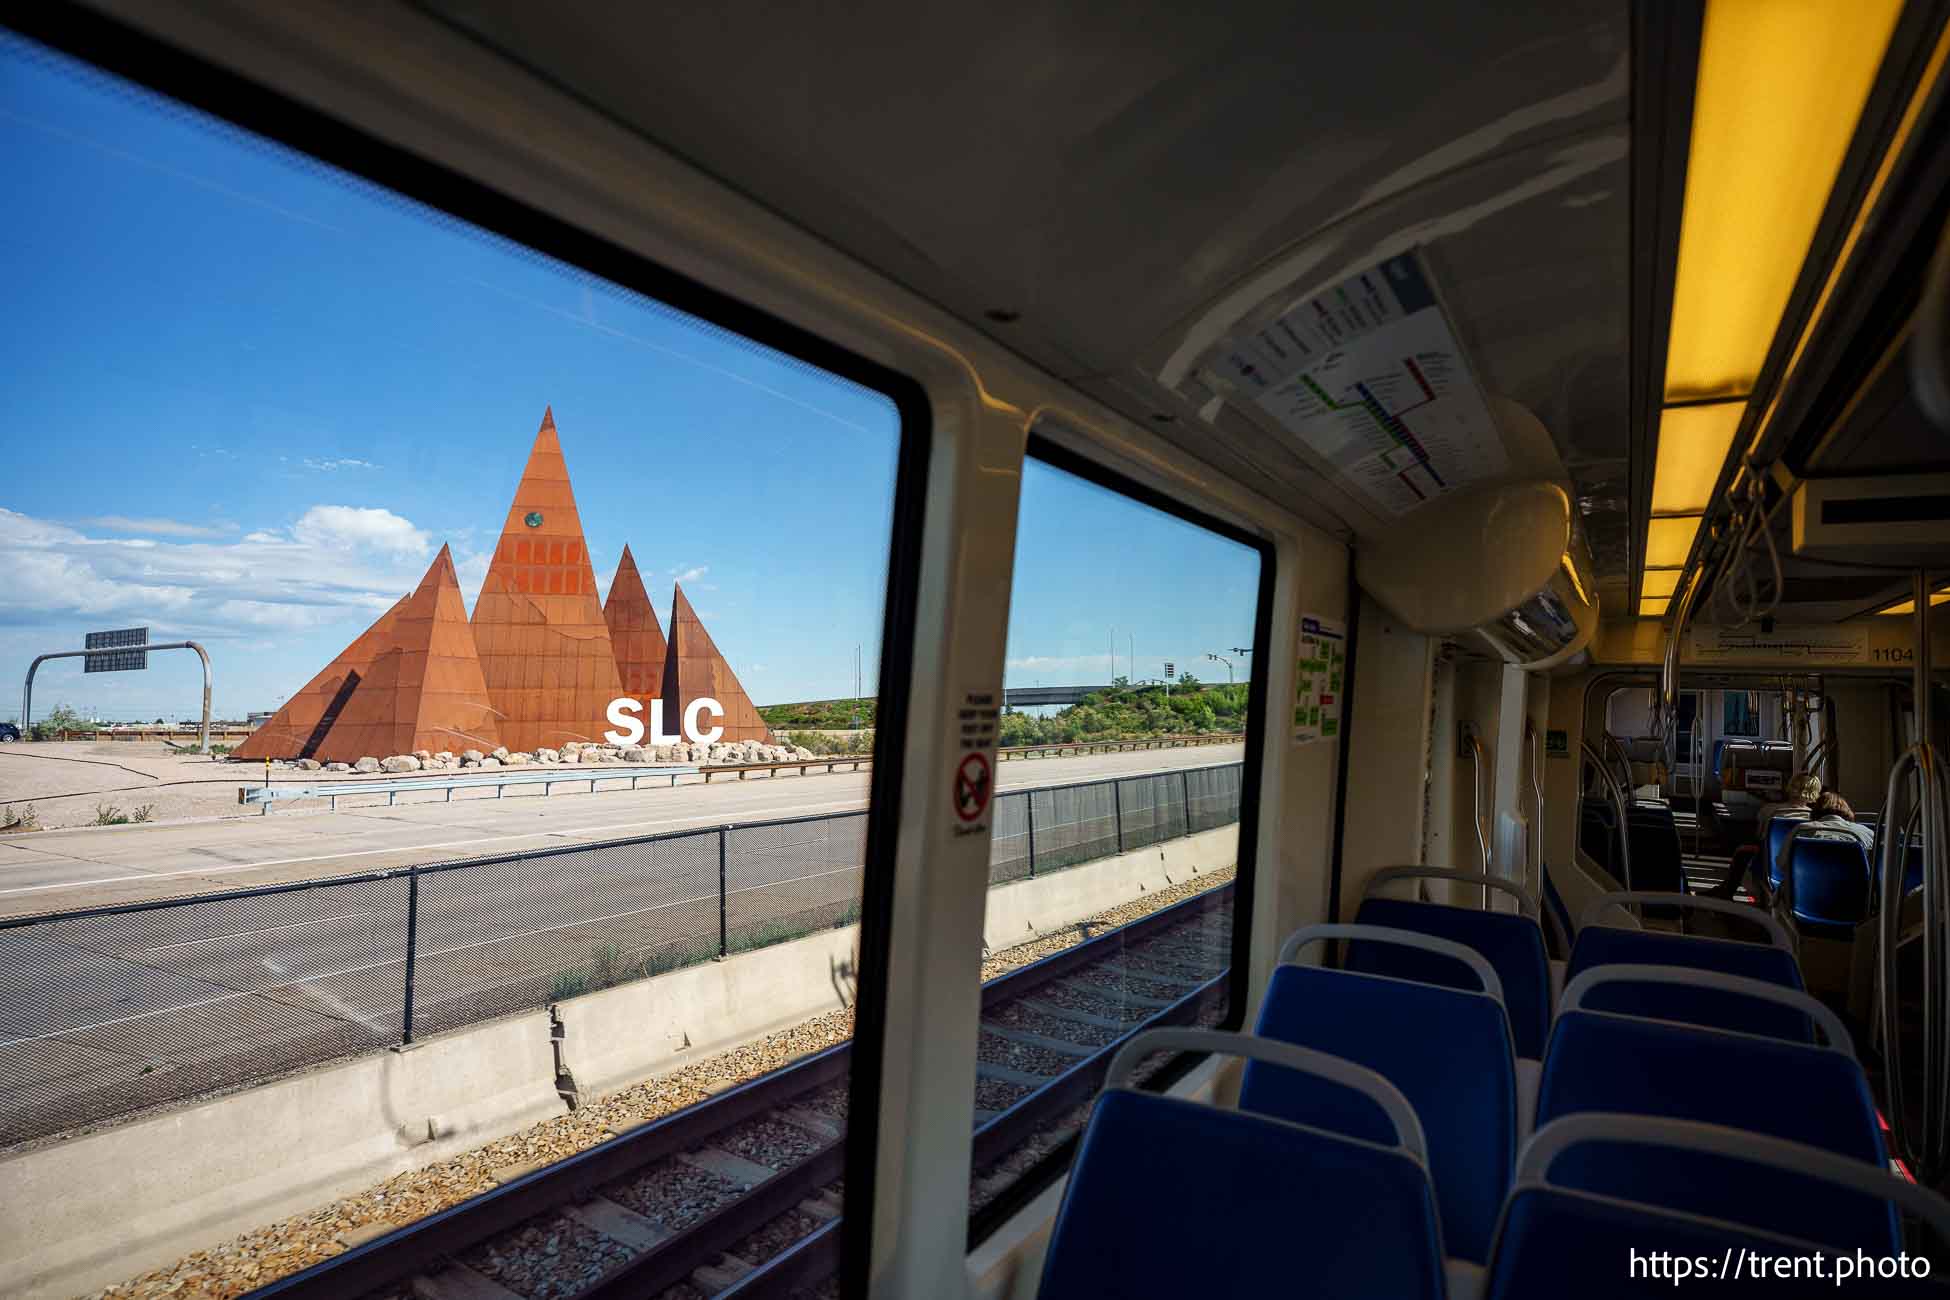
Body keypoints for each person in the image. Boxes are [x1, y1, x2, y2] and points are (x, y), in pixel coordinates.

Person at [1708, 770, 1820, 904]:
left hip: (1769, 861)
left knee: (1743, 851)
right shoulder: (1813, 820)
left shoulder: (1769, 810)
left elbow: (1761, 836)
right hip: (1800, 865)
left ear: (1791, 787)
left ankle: (1726, 892)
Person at [1775, 791, 1876, 888]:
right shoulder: (1866, 833)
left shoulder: (1801, 830)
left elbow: (1781, 864)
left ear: (1815, 811)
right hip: (1857, 899)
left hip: (1806, 895)